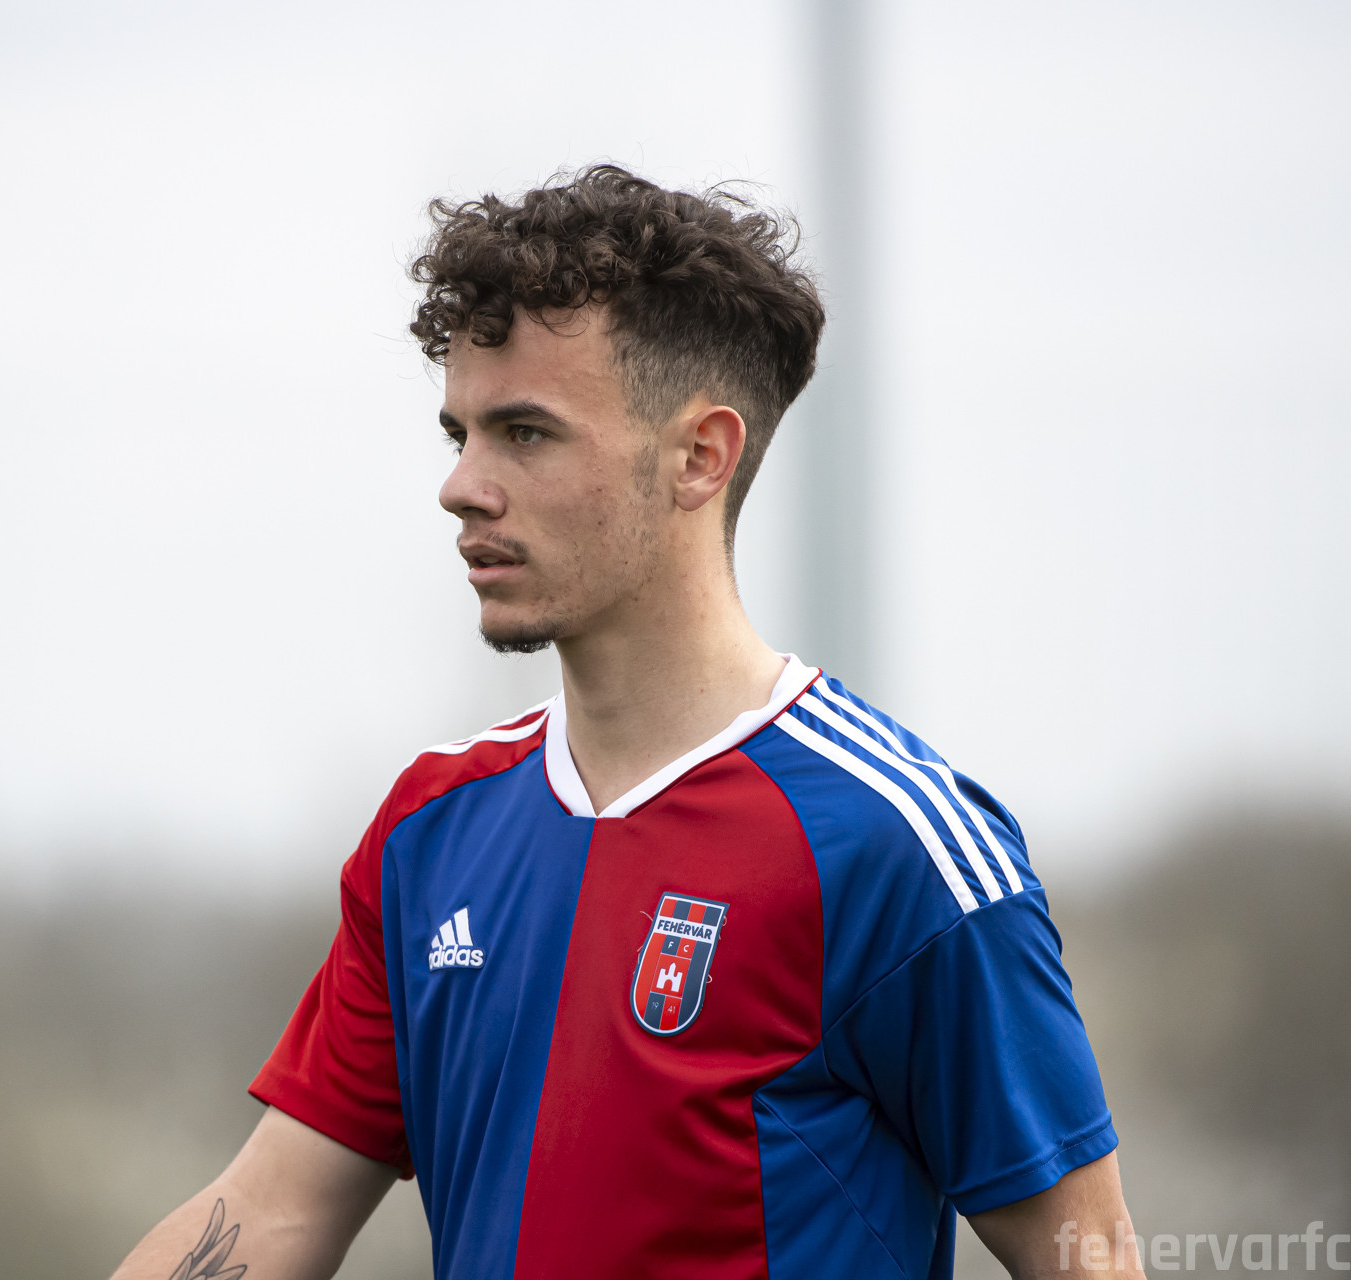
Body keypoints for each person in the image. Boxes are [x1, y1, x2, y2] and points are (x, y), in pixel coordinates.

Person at [111, 165, 1142, 1280]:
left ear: (700, 457)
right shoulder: (429, 831)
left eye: (525, 433)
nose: (462, 485)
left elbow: (1087, 1253)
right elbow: (270, 1213)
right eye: (460, 433)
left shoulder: (892, 842)